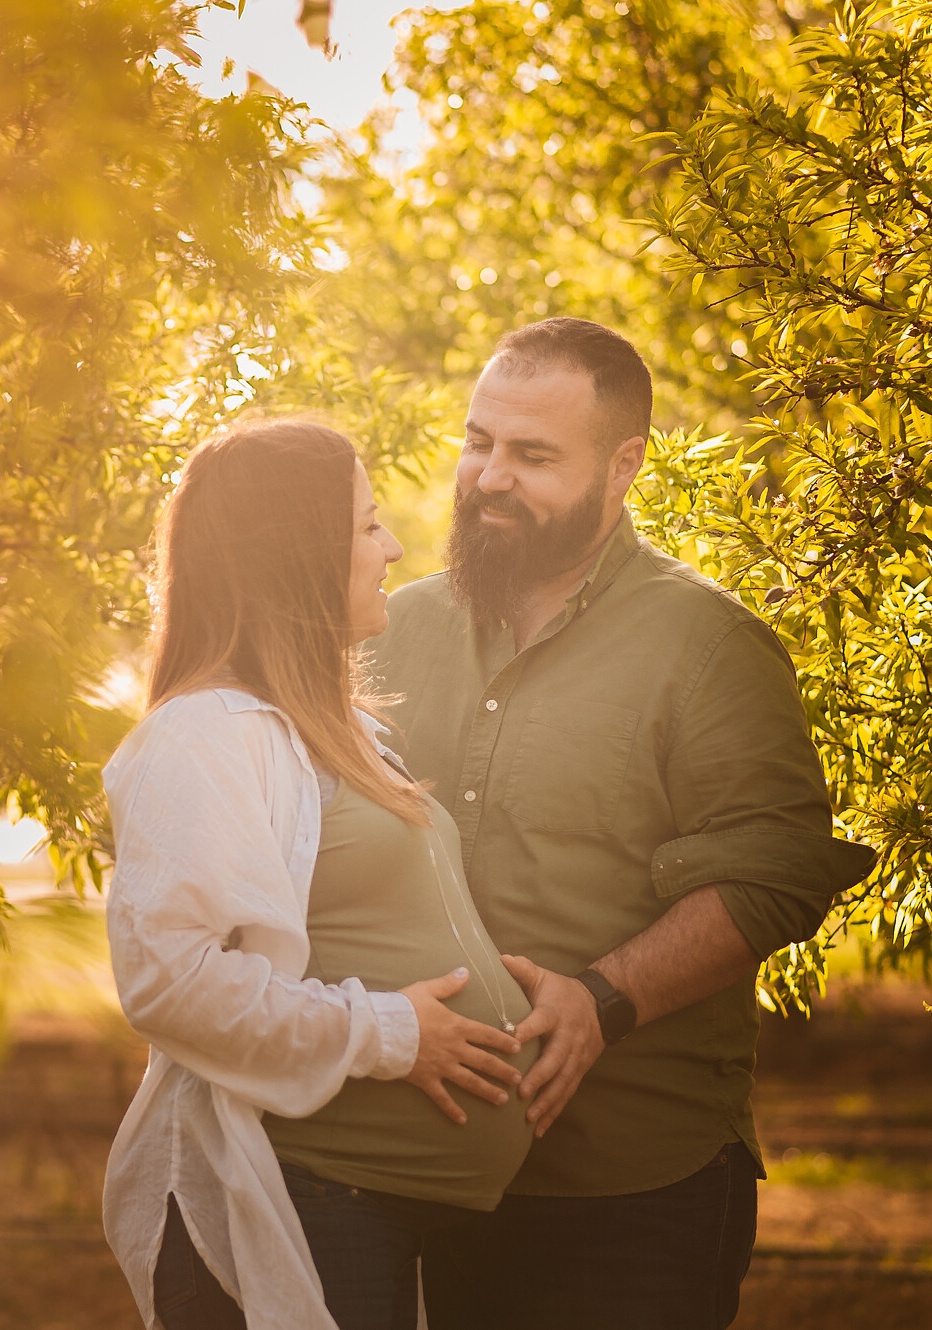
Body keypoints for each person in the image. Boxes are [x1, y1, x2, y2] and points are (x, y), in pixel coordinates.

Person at [365, 318, 877, 1330]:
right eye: (479, 442)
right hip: (422, 1168)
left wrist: (605, 995)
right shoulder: (392, 630)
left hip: (632, 1184)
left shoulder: (708, 644)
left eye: (533, 455)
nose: (489, 477)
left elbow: (776, 869)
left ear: (622, 466)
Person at [103, 419, 536, 1330]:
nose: (394, 547)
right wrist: (390, 1033)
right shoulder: (204, 734)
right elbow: (171, 982)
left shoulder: (339, 727)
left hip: (369, 1205)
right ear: (295, 554)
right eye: (368, 525)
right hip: (307, 1200)